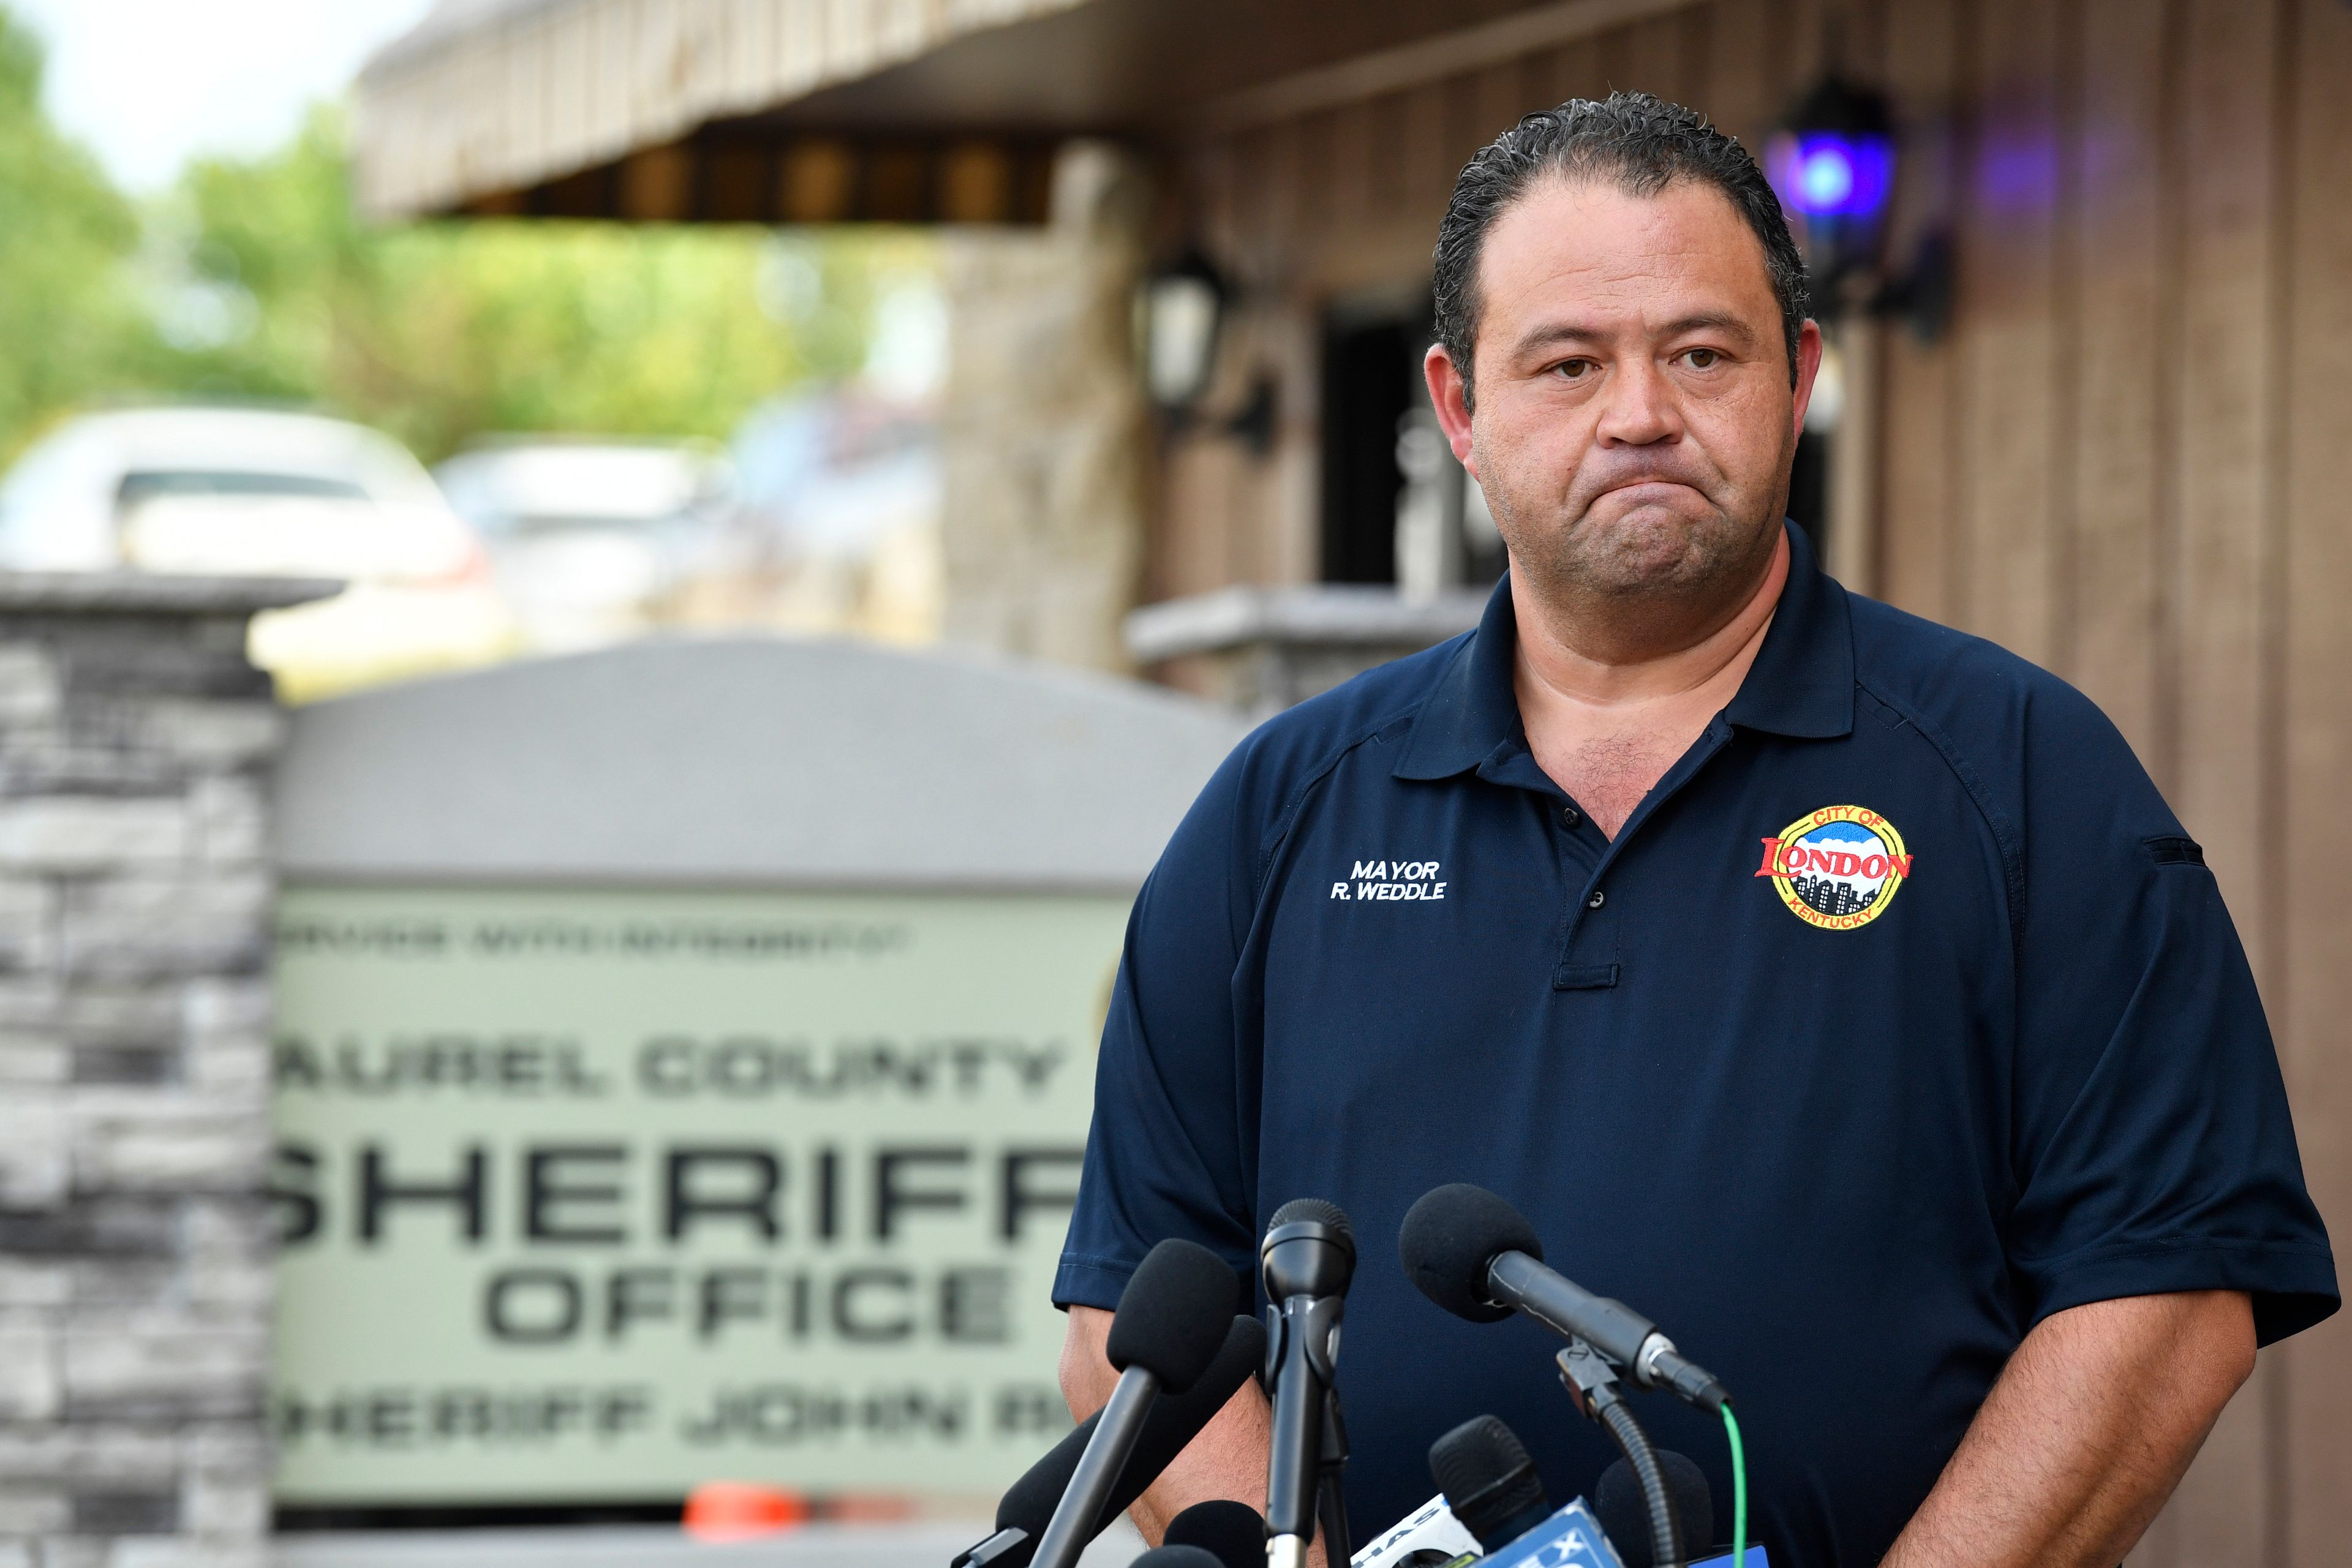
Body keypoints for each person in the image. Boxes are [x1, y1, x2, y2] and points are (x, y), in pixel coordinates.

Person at [1053, 91, 2334, 1568]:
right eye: (1569, 362)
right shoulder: (1278, 813)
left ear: (1797, 377)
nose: (1641, 412)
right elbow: (1129, 1322)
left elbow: (2167, 1299)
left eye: (1701, 353)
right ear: (1460, 408)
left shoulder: (2027, 776)